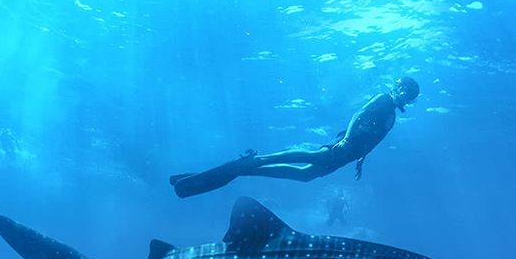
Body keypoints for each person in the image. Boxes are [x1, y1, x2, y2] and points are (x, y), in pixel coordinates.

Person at [170, 77, 419, 198]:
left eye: (409, 97)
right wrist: (347, 140)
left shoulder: (392, 116)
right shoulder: (383, 99)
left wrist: (361, 160)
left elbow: (374, 140)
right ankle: (257, 160)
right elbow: (358, 114)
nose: (405, 98)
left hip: (351, 154)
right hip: (344, 146)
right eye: (405, 93)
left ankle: (248, 168)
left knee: (305, 175)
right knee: (310, 157)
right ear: (398, 89)